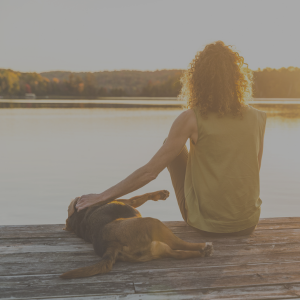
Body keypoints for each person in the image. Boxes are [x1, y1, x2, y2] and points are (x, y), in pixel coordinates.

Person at [76, 41, 267, 237]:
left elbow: (150, 172)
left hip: (206, 225)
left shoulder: (191, 118)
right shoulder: (259, 117)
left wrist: (101, 197)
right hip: (247, 223)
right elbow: (253, 171)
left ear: (199, 80)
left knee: (171, 146)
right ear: (237, 78)